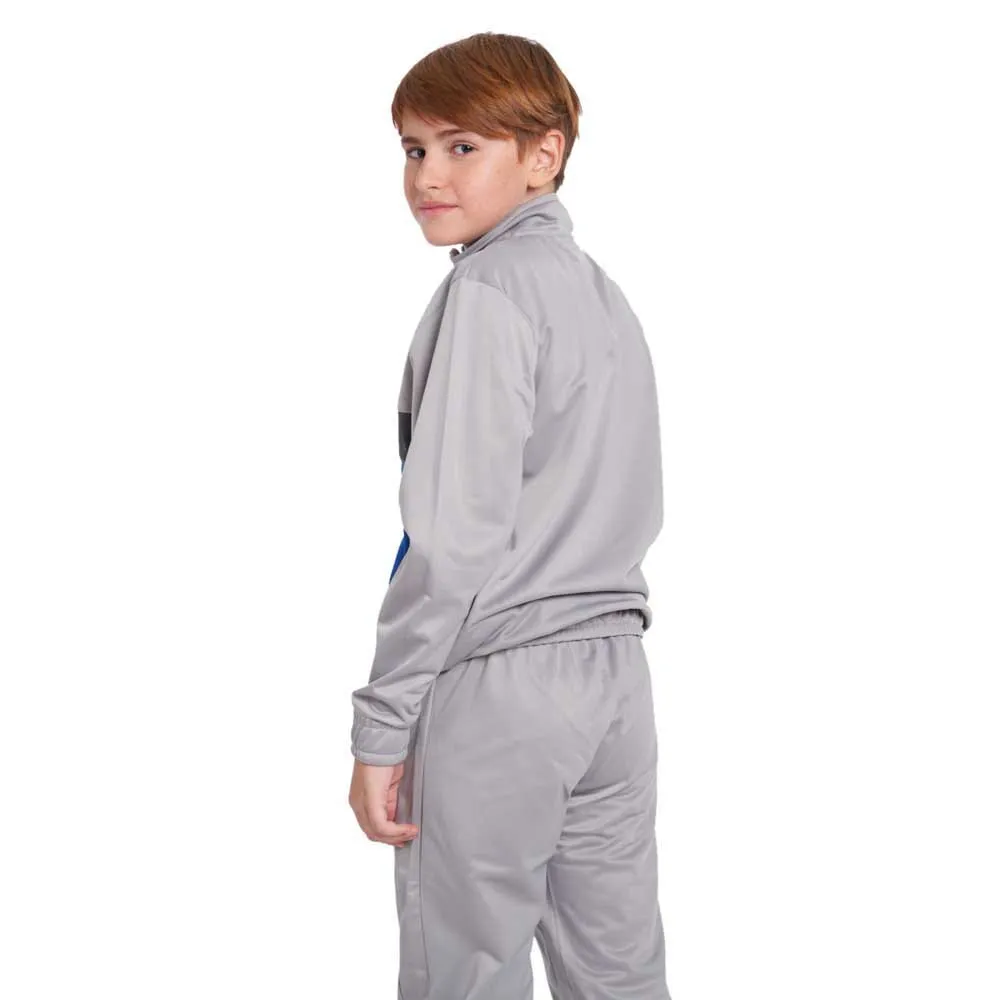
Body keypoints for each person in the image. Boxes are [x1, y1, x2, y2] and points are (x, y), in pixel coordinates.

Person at [347, 31, 672, 1000]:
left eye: (462, 146)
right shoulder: (603, 298)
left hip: (503, 684)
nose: (427, 176)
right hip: (614, 682)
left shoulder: (487, 292)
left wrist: (382, 726)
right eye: (413, 148)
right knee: (617, 972)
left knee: (466, 974)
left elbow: (453, 538)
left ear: (544, 154)